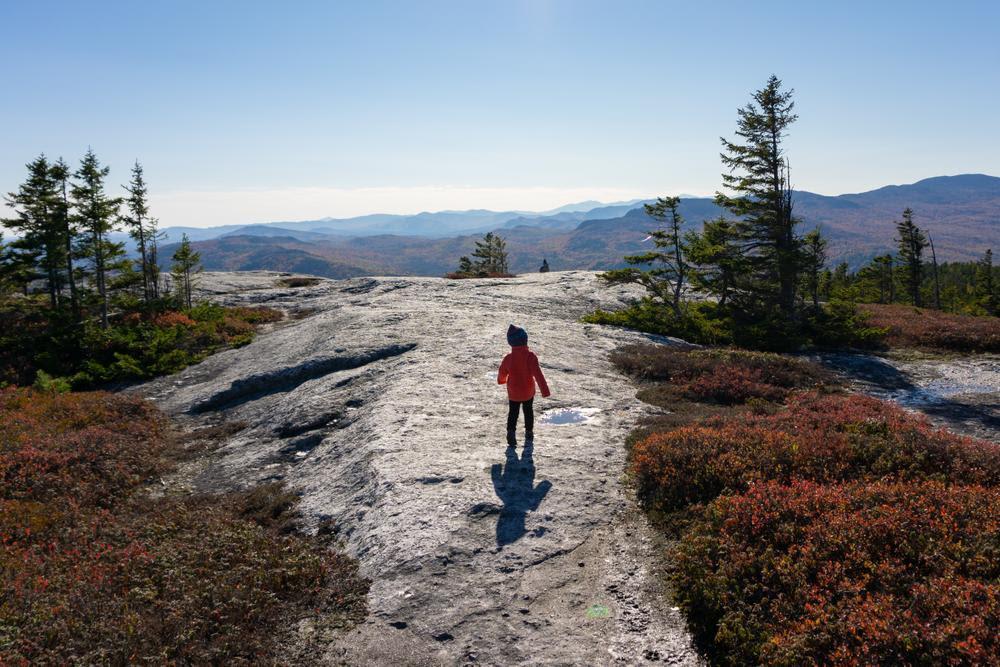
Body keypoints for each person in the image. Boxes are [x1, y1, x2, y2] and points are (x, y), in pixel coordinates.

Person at [497, 324, 550, 447]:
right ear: (525, 340)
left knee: (513, 413)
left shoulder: (508, 358)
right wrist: (545, 391)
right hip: (527, 391)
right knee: (528, 411)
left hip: (513, 392)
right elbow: (538, 375)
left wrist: (501, 380)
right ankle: (529, 432)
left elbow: (502, 372)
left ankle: (511, 432)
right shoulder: (530, 356)